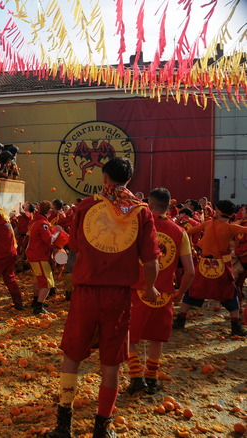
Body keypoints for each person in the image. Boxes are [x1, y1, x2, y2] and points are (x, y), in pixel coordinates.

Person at [47, 158, 159, 438]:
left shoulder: (86, 206)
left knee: (72, 357)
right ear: (129, 179)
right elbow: (151, 261)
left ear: (104, 177)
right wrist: (150, 288)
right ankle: (102, 427)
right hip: (118, 296)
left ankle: (63, 425)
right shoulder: (141, 212)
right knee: (111, 364)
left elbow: (74, 245)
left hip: (85, 292)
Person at [126, 188, 195, 395]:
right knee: (156, 338)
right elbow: (190, 271)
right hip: (164, 294)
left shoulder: (137, 227)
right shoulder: (180, 232)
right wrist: (179, 294)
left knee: (130, 337)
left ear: (150, 205)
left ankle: (136, 377)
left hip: (137, 290)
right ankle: (152, 378)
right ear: (168, 206)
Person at [173, 200, 247, 336]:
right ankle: (235, 325)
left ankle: (180, 320)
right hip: (221, 267)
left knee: (192, 291)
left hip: (204, 265)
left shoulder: (208, 224)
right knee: (230, 294)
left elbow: (187, 232)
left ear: (218, 211)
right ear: (231, 214)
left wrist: (191, 246)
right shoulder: (231, 228)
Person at [26, 201, 61, 315]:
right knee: (47, 282)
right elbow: (49, 240)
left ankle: (36, 300)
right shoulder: (42, 224)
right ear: (49, 211)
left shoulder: (35, 221)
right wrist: (57, 232)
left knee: (37, 279)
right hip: (39, 255)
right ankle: (38, 306)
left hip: (34, 254)